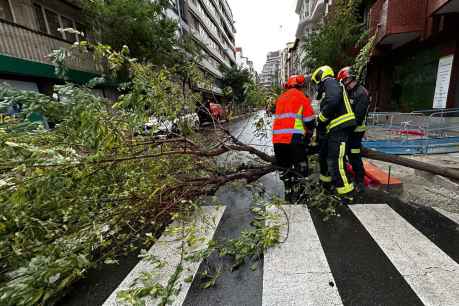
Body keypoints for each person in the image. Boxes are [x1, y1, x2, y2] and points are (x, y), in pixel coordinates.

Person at [311, 66, 356, 203]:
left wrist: (322, 118)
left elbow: (333, 101)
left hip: (340, 128)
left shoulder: (329, 81)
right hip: (333, 130)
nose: (317, 86)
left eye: (316, 83)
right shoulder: (330, 87)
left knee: (337, 161)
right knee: (324, 157)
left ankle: (346, 194)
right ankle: (326, 185)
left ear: (320, 77)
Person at [272, 75, 315, 193]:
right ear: (300, 86)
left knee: (284, 170)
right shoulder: (301, 97)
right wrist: (309, 135)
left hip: (277, 141)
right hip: (294, 140)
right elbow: (310, 120)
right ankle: (302, 195)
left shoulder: (280, 98)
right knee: (301, 170)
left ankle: (288, 191)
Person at [337, 66, 370, 193]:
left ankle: (360, 181)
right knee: (343, 153)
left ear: (350, 79)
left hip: (356, 131)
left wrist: (343, 127)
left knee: (354, 155)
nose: (344, 85)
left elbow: (357, 117)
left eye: (344, 82)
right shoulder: (350, 92)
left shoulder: (362, 93)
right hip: (349, 130)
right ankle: (348, 177)